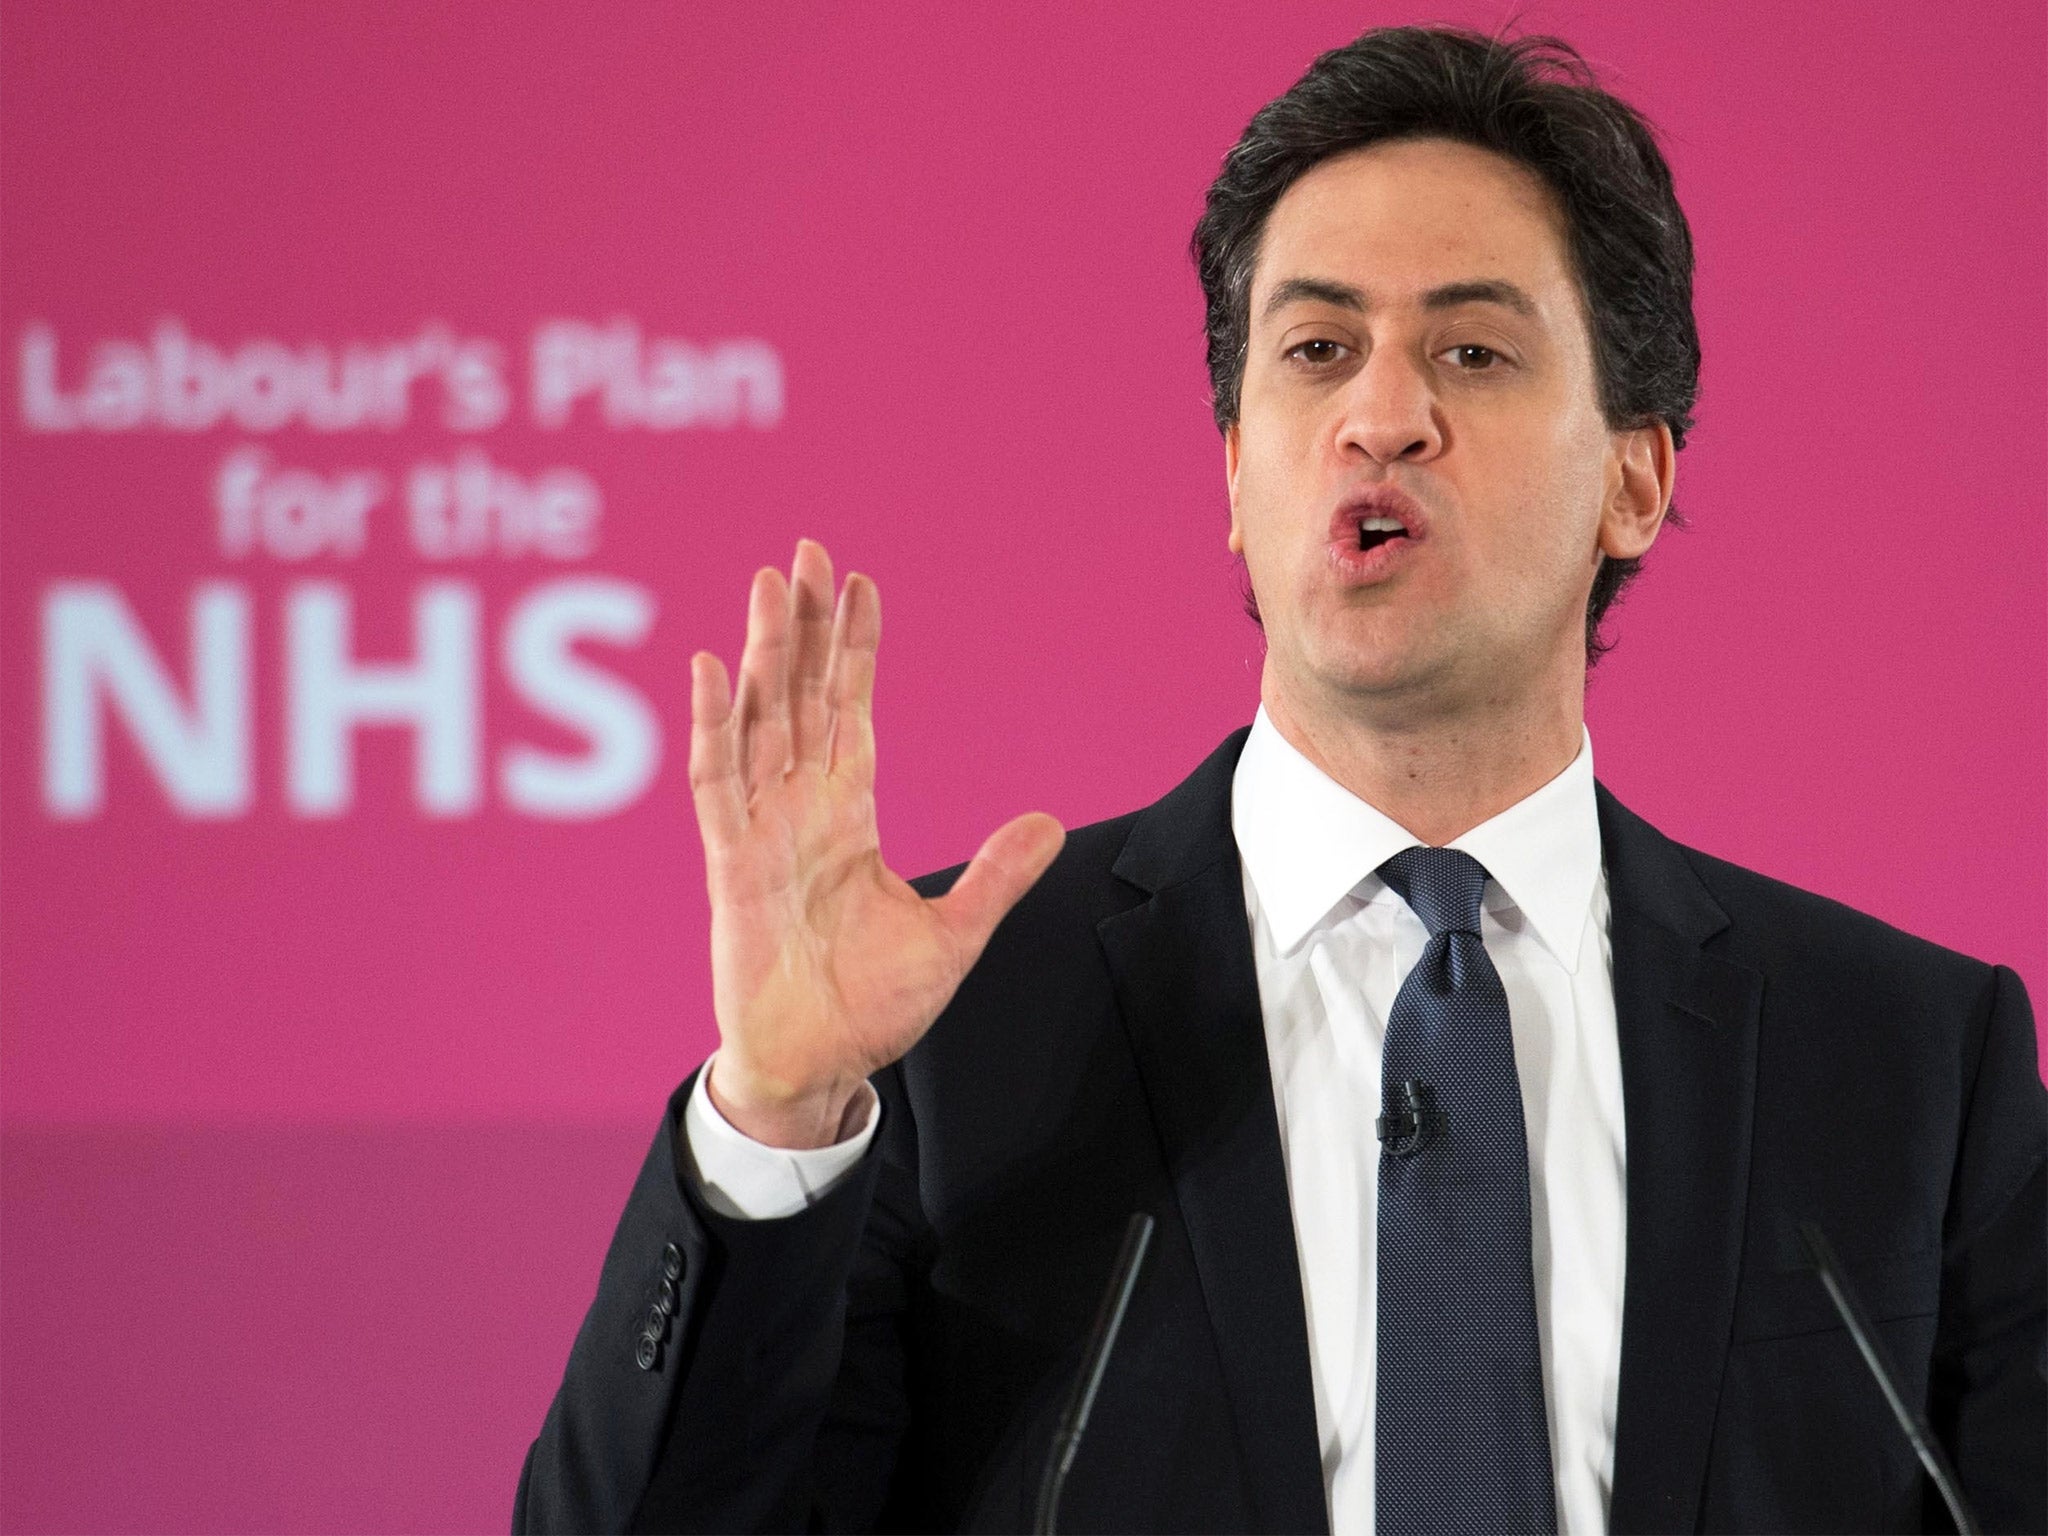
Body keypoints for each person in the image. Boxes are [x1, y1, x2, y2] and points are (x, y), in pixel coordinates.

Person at [515, 25, 2046, 1535]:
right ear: (1236, 471)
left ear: (1634, 481)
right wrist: (774, 1115)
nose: (1382, 415)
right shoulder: (945, 1034)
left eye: (1472, 350)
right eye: (1318, 351)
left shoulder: (1908, 1061)